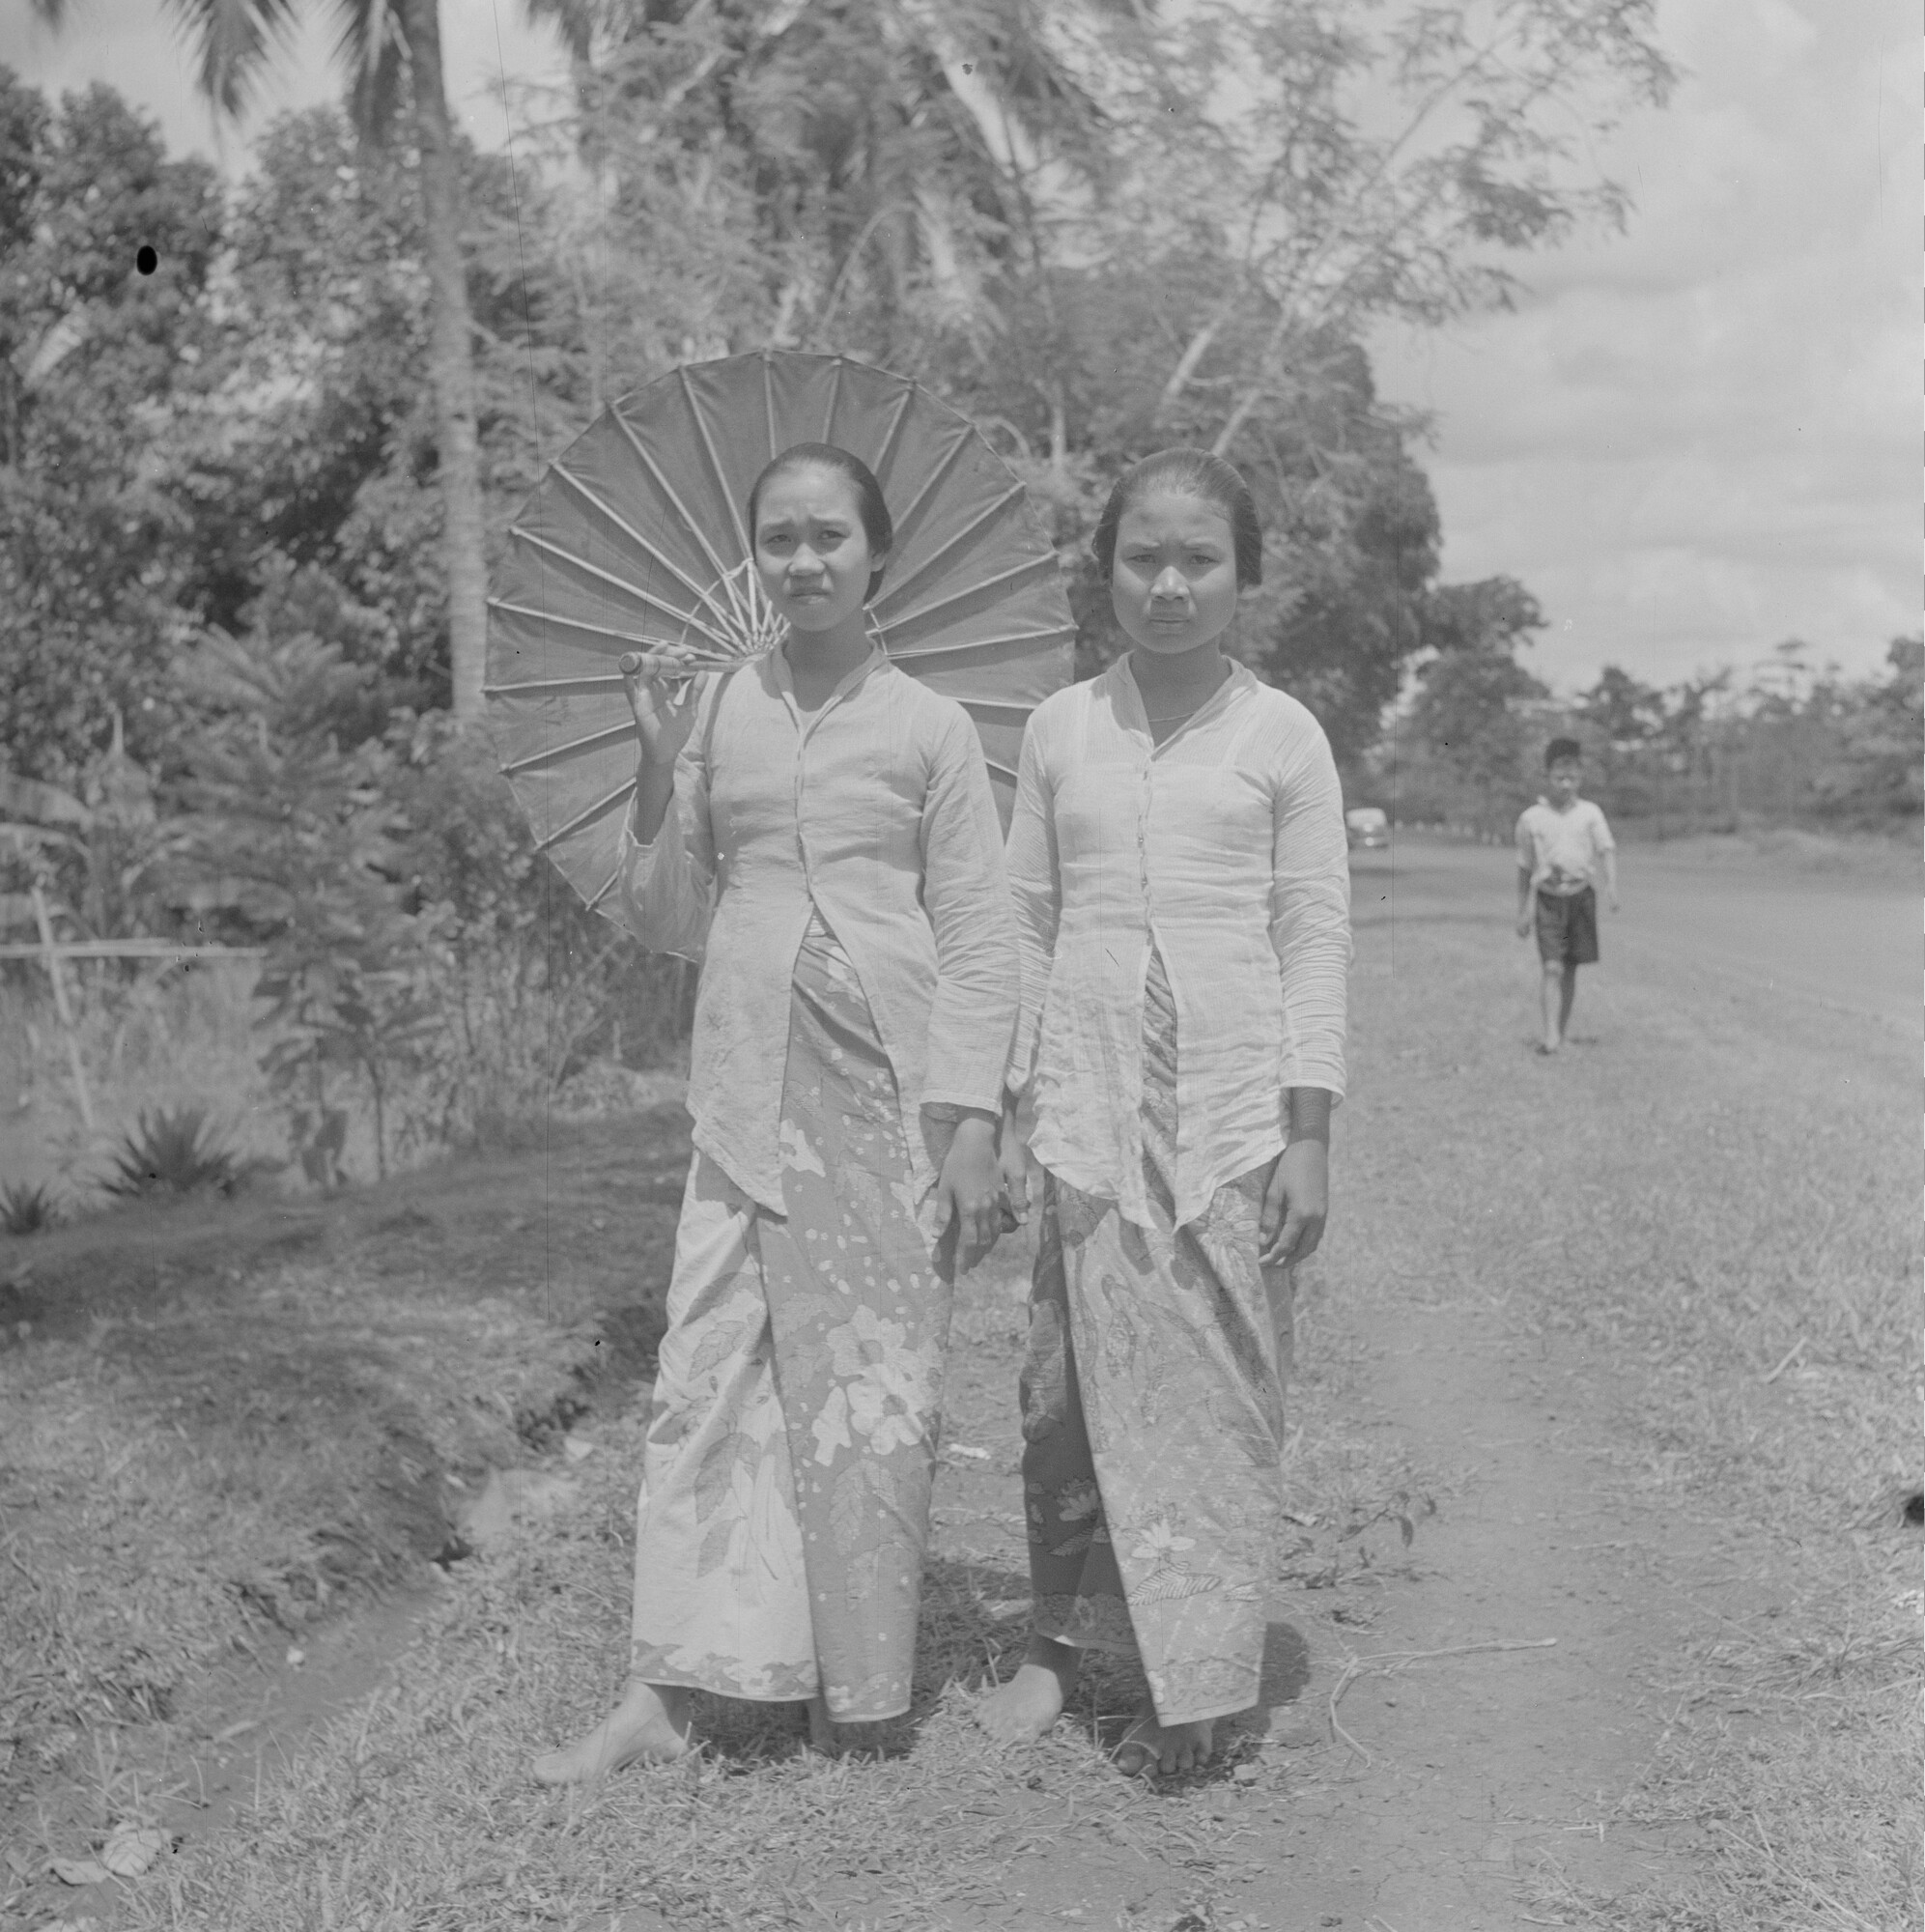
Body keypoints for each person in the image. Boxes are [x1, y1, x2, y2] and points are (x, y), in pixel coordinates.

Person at [532, 442, 1018, 1781]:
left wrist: (970, 1115)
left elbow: (979, 938)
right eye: (780, 539)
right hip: (745, 1076)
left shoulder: (929, 727)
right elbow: (667, 915)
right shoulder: (716, 714)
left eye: (827, 537)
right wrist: (652, 761)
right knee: (707, 1371)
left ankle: (852, 1691)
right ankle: (667, 1697)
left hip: (888, 1084)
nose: (803, 560)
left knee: (873, 1385)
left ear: (877, 557)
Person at [977, 448, 1351, 1777]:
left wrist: (1306, 1133)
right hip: (1085, 1105)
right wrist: (1008, 1108)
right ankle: (1059, 1650)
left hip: (1231, 1117)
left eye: (1199, 558)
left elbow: (1312, 937)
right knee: (1062, 1392)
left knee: (1212, 1400)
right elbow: (1023, 924)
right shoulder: (1060, 727)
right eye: (1144, 556)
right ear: (1106, 573)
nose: (1170, 583)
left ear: (1244, 576)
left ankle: (1196, 1676)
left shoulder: (1283, 735)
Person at [1514, 738, 1619, 1055]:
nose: (1565, 785)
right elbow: (1523, 867)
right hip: (1548, 898)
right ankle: (1550, 1036)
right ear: (1548, 777)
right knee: (1552, 968)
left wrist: (1612, 885)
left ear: (1580, 778)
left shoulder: (1590, 813)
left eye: (1571, 778)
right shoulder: (1531, 818)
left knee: (1570, 967)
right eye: (1559, 778)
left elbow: (1606, 850)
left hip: (1580, 896)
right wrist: (1522, 910)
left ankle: (1561, 1028)